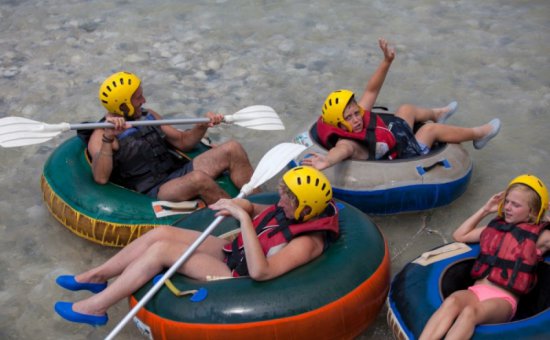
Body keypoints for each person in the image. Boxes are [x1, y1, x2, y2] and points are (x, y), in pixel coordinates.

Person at [53, 166, 340, 326]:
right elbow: (253, 208)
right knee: (161, 234)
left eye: (287, 197)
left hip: (237, 277)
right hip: (233, 253)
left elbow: (261, 272)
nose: (280, 198)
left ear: (304, 208)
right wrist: (239, 205)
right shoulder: (293, 210)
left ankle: (95, 308)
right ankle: (97, 277)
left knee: (162, 252)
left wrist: (241, 219)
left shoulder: (306, 243)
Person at [301, 38, 501, 171]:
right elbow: (340, 152)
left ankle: (438, 113)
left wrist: (386, 62)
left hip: (394, 135)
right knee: (430, 130)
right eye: (349, 118)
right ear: (339, 124)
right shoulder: (348, 143)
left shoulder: (359, 116)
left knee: (406, 109)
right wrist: (325, 161)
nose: (356, 119)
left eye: (356, 113)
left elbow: (371, 90)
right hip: (401, 152)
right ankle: (479, 134)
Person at [85, 71, 255, 204]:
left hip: (176, 172)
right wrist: (108, 139)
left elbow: (183, 142)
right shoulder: (101, 134)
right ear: (123, 105)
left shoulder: (148, 116)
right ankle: (241, 216)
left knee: (233, 148)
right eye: (138, 98)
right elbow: (100, 178)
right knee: (198, 179)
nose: (144, 100)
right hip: (155, 190)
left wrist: (202, 126)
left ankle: (262, 204)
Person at [419, 174, 550, 340]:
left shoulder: (540, 237)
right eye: (507, 201)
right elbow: (460, 235)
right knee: (452, 301)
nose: (508, 207)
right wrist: (485, 210)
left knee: (469, 313)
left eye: (515, 205)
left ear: (532, 212)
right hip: (475, 291)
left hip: (503, 300)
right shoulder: (496, 227)